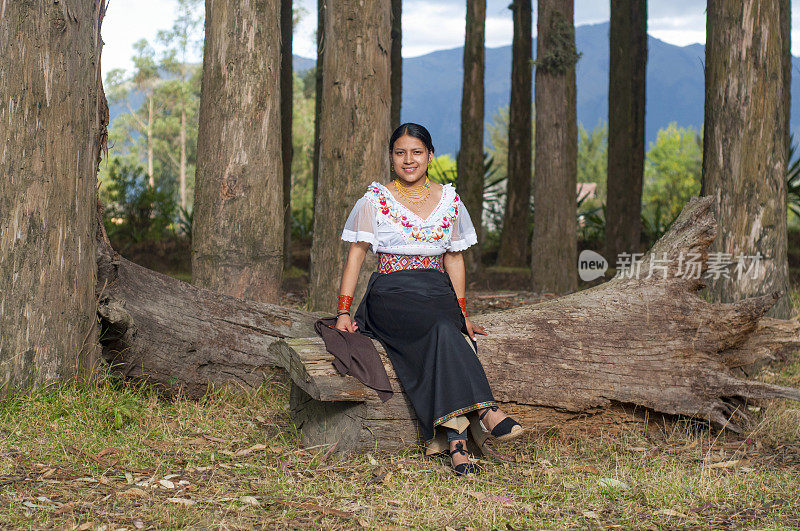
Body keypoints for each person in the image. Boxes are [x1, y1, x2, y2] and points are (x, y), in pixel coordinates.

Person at [335, 122, 524, 475]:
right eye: (400, 152)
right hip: (391, 293)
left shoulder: (449, 200)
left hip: (437, 292)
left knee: (445, 328)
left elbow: (453, 257)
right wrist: (343, 310)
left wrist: (462, 311)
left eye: (417, 152)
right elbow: (357, 254)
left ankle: (455, 441)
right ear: (392, 157)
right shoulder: (374, 200)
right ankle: (484, 412)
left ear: (430, 155)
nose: (409, 160)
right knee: (440, 328)